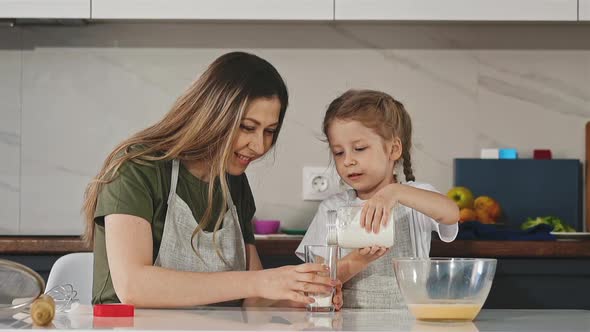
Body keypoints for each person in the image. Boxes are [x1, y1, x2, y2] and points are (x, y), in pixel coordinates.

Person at [83, 51, 342, 309]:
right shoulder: (137, 169)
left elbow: (256, 302)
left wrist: (306, 295)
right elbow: (133, 286)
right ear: (214, 114)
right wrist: (257, 281)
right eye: (247, 127)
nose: (259, 145)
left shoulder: (233, 183)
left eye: (269, 131)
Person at [296, 89, 459, 308]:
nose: (348, 161)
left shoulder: (414, 198)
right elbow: (319, 282)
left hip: (411, 322)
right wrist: (359, 260)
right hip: (349, 323)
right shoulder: (332, 208)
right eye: (338, 152)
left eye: (359, 148)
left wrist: (395, 193)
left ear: (393, 149)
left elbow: (451, 213)